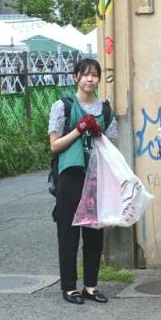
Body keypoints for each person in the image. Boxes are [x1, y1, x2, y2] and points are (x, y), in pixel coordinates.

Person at [48, 58, 116, 304]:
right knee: (68, 234)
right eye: (85, 74)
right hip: (70, 176)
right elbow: (54, 145)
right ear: (76, 76)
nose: (90, 79)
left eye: (94, 75)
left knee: (94, 234)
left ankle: (91, 286)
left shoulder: (105, 110)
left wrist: (98, 132)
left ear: (99, 79)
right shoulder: (63, 106)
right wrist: (78, 130)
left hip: (95, 177)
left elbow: (111, 147)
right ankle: (69, 288)